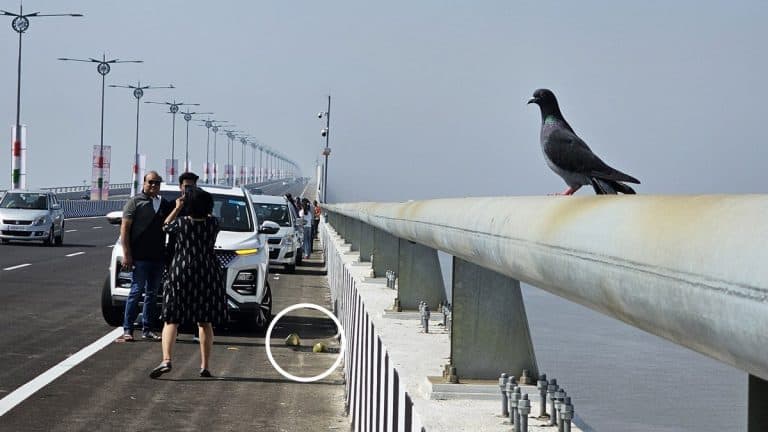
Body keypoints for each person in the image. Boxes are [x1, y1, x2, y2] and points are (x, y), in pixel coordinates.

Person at [150, 186, 226, 378]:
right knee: (204, 321)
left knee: (172, 318)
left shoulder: (181, 223)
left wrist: (176, 208)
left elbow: (165, 225)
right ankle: (205, 365)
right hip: (207, 272)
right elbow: (211, 219)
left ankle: (166, 359)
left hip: (181, 272)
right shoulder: (214, 224)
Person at [119, 171, 173, 341]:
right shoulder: (135, 202)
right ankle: (128, 329)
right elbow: (125, 230)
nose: (154, 185)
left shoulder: (163, 203)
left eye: (157, 183)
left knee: (152, 293)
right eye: (151, 182)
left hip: (157, 257)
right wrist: (127, 255)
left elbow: (174, 217)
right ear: (144, 182)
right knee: (136, 291)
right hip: (139, 257)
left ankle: (147, 328)